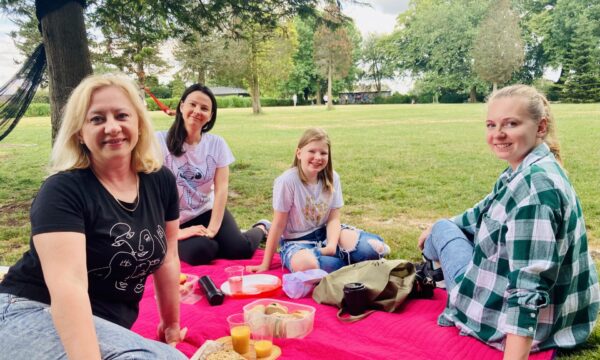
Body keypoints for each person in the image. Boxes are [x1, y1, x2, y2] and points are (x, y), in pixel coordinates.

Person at [0, 74, 187, 359]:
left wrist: (171, 324)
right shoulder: (62, 191)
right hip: (27, 309)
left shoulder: (159, 180)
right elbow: (68, 287)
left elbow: (169, 256)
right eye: (97, 119)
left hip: (104, 325)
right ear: (79, 133)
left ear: (138, 122)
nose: (112, 127)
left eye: (122, 115)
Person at [417, 85, 599, 358]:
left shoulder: (534, 191)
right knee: (443, 227)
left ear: (540, 127)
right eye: (491, 125)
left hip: (500, 319)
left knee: (442, 230)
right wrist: (437, 227)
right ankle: (435, 265)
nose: (498, 134)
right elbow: (480, 214)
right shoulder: (528, 168)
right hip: (564, 319)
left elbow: (526, 290)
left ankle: (434, 269)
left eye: (511, 123)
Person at [247, 128, 389, 274]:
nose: (318, 157)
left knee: (373, 249)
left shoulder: (333, 177)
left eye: (323, 153)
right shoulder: (287, 181)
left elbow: (334, 218)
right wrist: (265, 264)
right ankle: (347, 262)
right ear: (299, 153)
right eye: (312, 151)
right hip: (297, 242)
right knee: (306, 265)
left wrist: (332, 246)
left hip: (326, 234)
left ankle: (348, 260)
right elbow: (278, 225)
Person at [157, 84, 269, 266]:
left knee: (240, 250)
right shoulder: (159, 142)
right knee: (202, 251)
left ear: (210, 115)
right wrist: (176, 233)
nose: (197, 111)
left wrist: (213, 228)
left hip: (206, 211)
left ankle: (262, 227)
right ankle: (214, 242)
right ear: (181, 106)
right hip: (175, 220)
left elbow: (222, 188)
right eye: (192, 104)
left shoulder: (217, 144)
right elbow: (149, 193)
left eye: (204, 108)